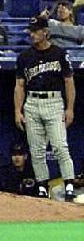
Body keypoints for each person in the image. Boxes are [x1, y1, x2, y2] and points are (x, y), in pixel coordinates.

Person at [15, 15, 77, 200]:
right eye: (30, 31)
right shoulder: (25, 56)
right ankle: (42, 186)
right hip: (32, 103)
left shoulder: (59, 53)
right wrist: (18, 110)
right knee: (36, 150)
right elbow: (19, 85)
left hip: (54, 101)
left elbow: (69, 81)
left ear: (46, 32)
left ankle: (69, 186)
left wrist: (70, 108)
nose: (32, 34)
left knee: (59, 146)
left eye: (35, 31)